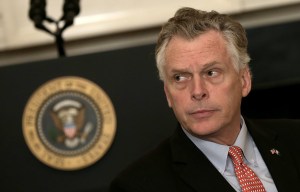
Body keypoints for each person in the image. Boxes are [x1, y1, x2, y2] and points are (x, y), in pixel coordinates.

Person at [110, 7, 300, 192]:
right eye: (180, 77)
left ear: (244, 81)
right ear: (168, 93)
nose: (197, 91)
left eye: (211, 72)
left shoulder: (294, 137)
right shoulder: (137, 186)